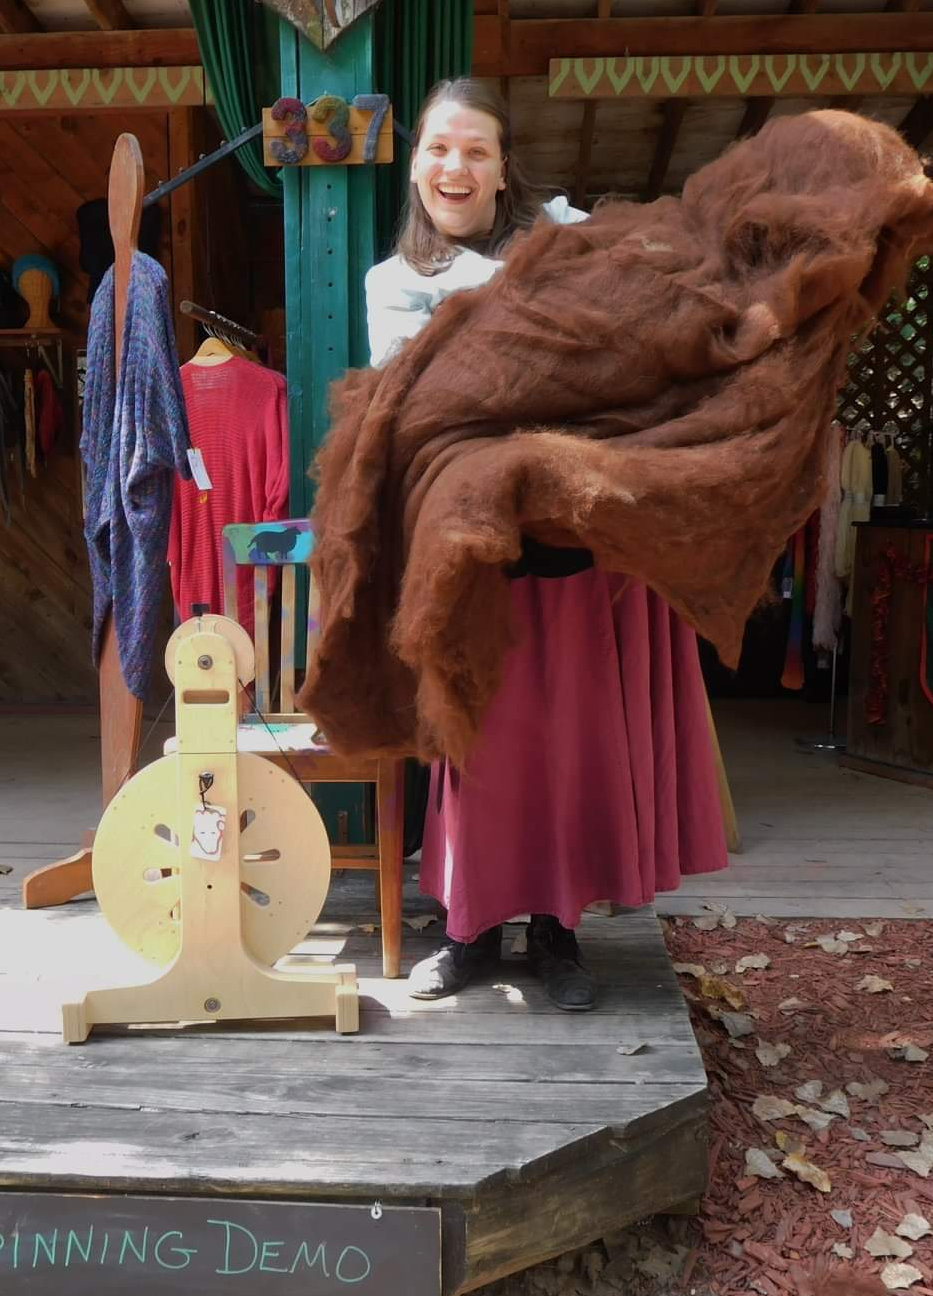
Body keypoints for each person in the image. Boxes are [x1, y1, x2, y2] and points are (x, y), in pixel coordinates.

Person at [364, 78, 728, 1012]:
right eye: (440, 148)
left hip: (573, 551)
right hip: (471, 560)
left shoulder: (562, 244)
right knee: (477, 744)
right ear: (415, 163)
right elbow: (420, 415)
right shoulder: (393, 285)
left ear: (502, 169)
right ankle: (471, 934)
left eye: (476, 151)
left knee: (564, 741)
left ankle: (558, 934)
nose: (456, 166)